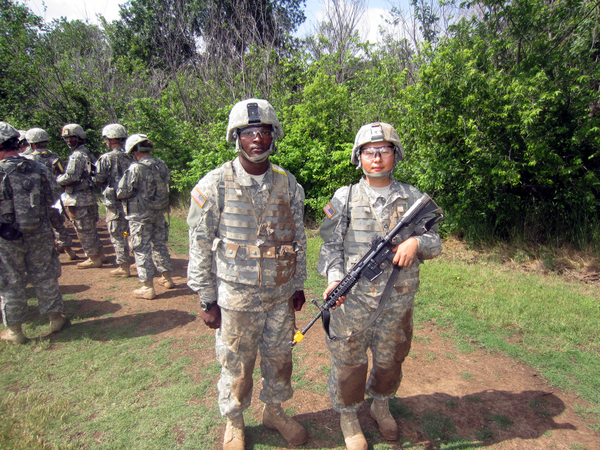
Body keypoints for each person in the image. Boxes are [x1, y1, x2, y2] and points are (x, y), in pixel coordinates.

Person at [187, 98, 308, 450]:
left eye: (264, 132)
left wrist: (297, 284)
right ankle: (235, 422)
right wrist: (207, 298)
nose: (257, 139)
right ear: (236, 137)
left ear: (274, 137)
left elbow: (298, 236)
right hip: (236, 298)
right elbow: (198, 243)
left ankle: (274, 411)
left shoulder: (288, 184)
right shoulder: (215, 184)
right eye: (249, 132)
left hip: (279, 295)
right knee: (237, 364)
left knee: (280, 358)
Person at [317, 122, 442, 450]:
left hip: (397, 301)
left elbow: (435, 241)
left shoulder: (411, 197)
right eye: (369, 152)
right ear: (359, 157)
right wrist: (333, 280)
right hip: (353, 301)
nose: (377, 158)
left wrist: (416, 243)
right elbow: (330, 246)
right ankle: (348, 416)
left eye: (384, 151)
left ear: (395, 155)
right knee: (349, 364)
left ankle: (381, 404)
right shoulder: (344, 198)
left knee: (390, 361)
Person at [0, 122, 69, 344]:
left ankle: (15, 331)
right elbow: (54, 199)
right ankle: (55, 318)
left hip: (6, 237)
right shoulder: (38, 168)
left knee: (11, 280)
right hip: (39, 231)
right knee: (45, 274)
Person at [116, 134, 174, 299]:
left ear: (134, 151)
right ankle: (167, 278)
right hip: (159, 213)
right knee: (160, 245)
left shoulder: (135, 168)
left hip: (140, 216)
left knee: (141, 249)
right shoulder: (161, 164)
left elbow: (122, 192)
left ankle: (147, 287)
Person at [57, 123, 106, 269]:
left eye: (71, 137)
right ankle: (100, 253)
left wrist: (58, 179)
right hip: (88, 196)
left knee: (83, 229)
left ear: (79, 138)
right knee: (90, 227)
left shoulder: (77, 155)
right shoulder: (87, 153)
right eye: (66, 138)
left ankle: (93, 257)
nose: (68, 141)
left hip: (79, 198)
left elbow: (72, 176)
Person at [25, 127, 78, 261]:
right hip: (54, 197)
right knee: (58, 223)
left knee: (43, 225)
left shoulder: (28, 159)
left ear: (32, 143)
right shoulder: (55, 157)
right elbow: (63, 175)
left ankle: (50, 252)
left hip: (36, 199)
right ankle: (68, 250)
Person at [94, 124, 134, 277]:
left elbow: (99, 179)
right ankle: (137, 261)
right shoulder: (132, 155)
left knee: (118, 233)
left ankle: (124, 266)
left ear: (111, 140)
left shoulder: (106, 158)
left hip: (115, 203)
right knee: (129, 232)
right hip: (131, 202)